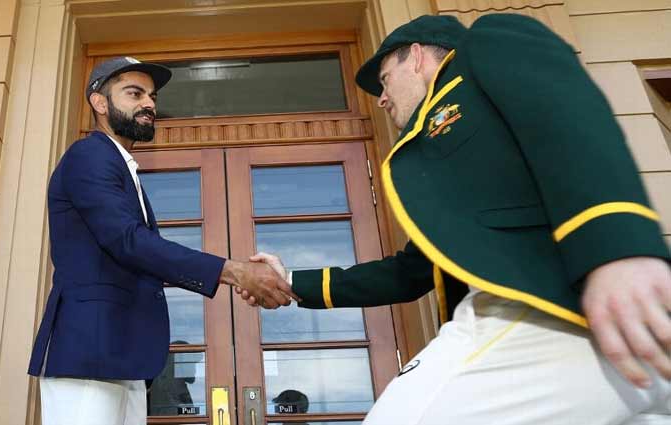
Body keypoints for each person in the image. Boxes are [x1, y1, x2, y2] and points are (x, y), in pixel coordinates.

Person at [241, 14, 671, 424]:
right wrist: (289, 281)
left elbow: (566, 117)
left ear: (416, 56)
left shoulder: (486, 44)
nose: (382, 98)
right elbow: (410, 273)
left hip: (553, 307)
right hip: (620, 341)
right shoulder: (446, 164)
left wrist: (620, 253)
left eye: (385, 80)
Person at [27, 56, 297, 425]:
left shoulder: (121, 168)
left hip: (123, 359)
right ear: (99, 103)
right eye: (134, 93)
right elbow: (128, 241)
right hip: (88, 355)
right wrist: (234, 271)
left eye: (152, 96)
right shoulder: (88, 155)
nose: (149, 104)